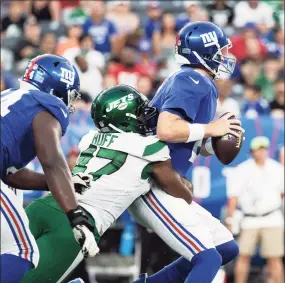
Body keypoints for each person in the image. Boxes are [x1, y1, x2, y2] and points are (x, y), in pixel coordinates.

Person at [21, 85, 193, 283]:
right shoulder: (151, 148)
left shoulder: (89, 138)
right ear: (126, 117)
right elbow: (183, 194)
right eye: (139, 114)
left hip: (45, 206)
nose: (145, 119)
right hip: (77, 223)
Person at [130, 21, 243, 283]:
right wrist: (212, 128)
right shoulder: (191, 79)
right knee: (208, 258)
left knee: (226, 248)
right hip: (153, 183)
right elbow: (167, 130)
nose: (223, 57)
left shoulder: (195, 80)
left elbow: (186, 138)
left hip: (166, 181)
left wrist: (214, 141)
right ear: (203, 53)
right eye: (219, 51)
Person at [0, 54, 98, 283]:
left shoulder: (11, 97)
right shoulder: (46, 106)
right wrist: (75, 215)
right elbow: (52, 160)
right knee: (22, 250)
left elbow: (11, 176)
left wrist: (56, 183)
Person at [226, 136, 284, 283]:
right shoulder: (242, 169)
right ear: (252, 151)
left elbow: (282, 193)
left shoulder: (277, 168)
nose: (261, 152)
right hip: (249, 219)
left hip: (272, 218)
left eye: (264, 149)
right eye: (258, 149)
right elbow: (234, 196)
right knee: (243, 256)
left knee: (275, 258)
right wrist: (230, 218)